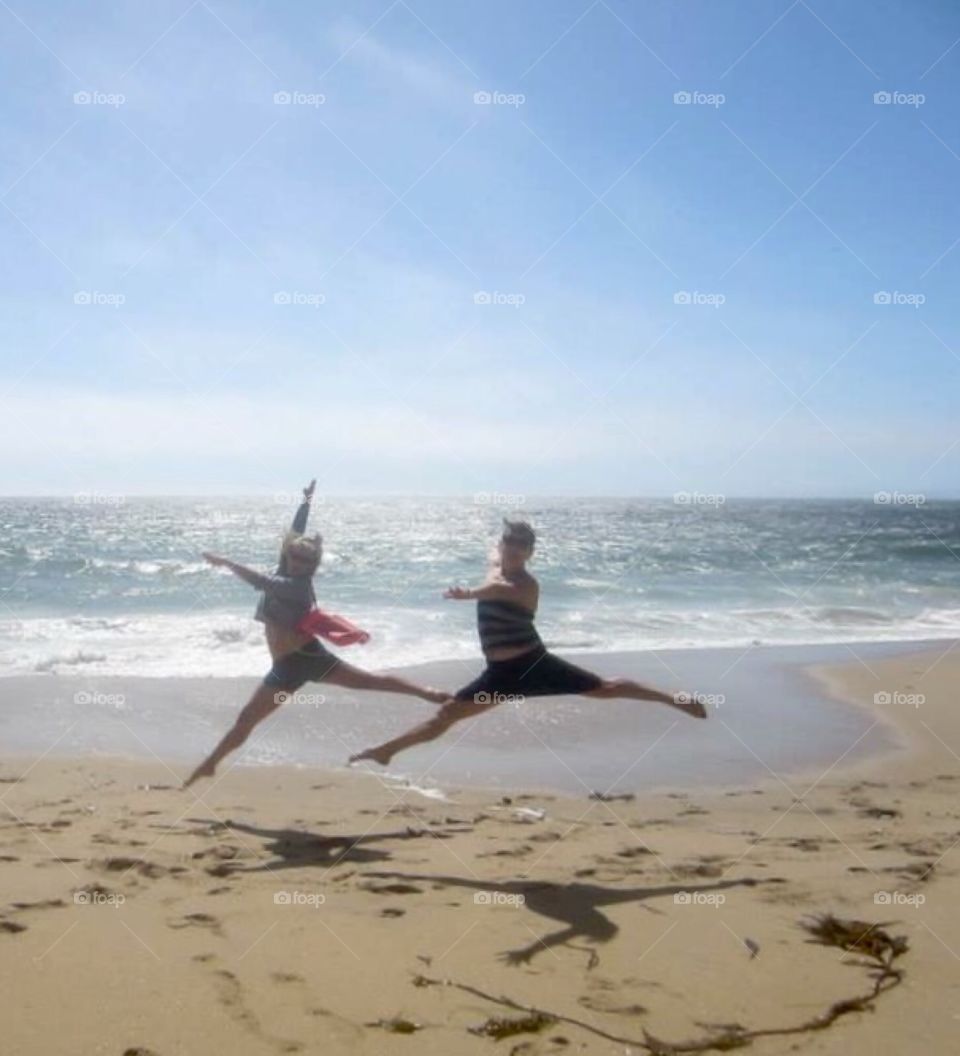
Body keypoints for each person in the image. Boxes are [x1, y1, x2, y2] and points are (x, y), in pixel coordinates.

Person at [350, 518, 706, 767]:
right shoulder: (496, 564)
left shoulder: (523, 584)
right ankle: (386, 751)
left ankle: (673, 699)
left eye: (523, 546)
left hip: (534, 664)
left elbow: (493, 590)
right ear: (503, 545)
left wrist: (467, 593)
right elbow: (493, 561)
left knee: (605, 688)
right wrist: (496, 535)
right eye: (511, 543)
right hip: (499, 675)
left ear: (531, 553)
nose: (516, 550)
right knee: (447, 715)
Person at [183, 480, 446, 787]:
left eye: (305, 560)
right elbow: (293, 535)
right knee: (247, 719)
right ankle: (211, 764)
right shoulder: (285, 568)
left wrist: (226, 562)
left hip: (309, 659)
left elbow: (260, 581)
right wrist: (306, 502)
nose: (297, 563)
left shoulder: (297, 587)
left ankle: (427, 693)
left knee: (368, 682)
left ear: (313, 565)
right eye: (294, 557)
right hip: (284, 670)